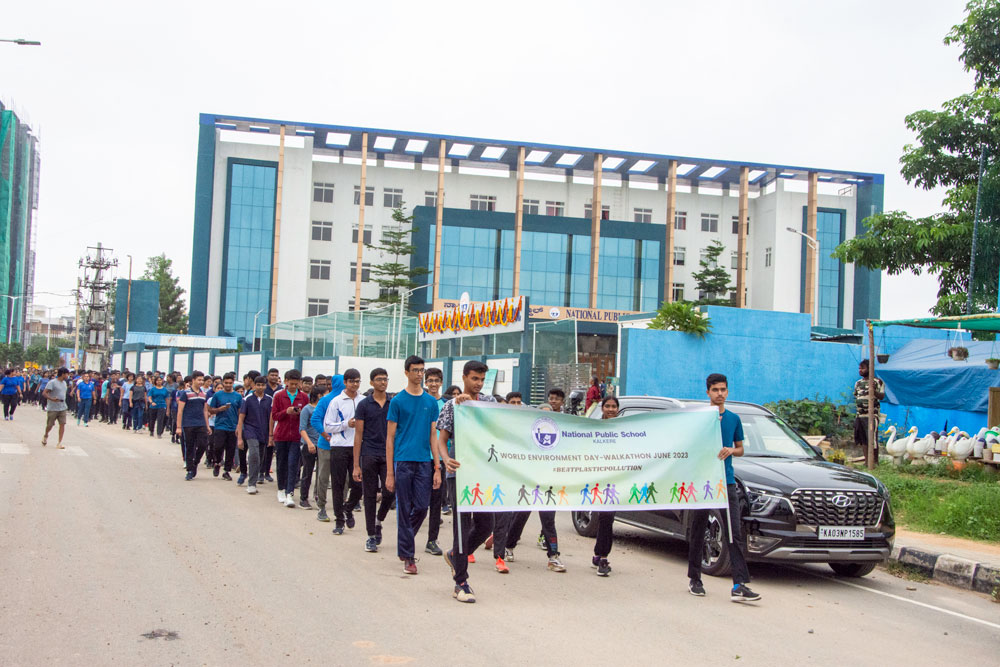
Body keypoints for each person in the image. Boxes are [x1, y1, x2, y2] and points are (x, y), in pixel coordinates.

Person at [687, 373, 760, 603]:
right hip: (703, 482)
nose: (720, 394)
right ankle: (695, 579)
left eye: (723, 390)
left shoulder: (733, 419)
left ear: (727, 392)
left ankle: (739, 585)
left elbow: (740, 449)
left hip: (726, 482)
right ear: (707, 392)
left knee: (734, 532)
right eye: (715, 390)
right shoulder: (698, 418)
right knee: (698, 530)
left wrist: (731, 450)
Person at [437, 360, 497, 603]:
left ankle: (455, 556)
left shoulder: (489, 403)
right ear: (464, 377)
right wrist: (445, 459)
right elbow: (442, 439)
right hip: (459, 473)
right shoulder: (453, 406)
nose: (478, 383)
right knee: (461, 528)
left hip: (484, 473)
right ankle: (460, 583)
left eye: (482, 379)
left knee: (485, 525)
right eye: (474, 378)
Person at [386, 355, 440, 575]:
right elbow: (390, 437)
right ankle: (408, 556)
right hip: (403, 461)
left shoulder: (430, 402)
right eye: (415, 370)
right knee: (404, 508)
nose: (419, 374)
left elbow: (433, 436)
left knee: (421, 507)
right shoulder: (397, 401)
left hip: (424, 462)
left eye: (422, 370)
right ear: (406, 372)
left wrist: (437, 467)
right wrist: (390, 472)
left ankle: (404, 541)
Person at [352, 368, 394, 552]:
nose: (383, 382)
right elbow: (358, 435)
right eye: (379, 379)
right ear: (371, 382)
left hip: (388, 454)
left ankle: (379, 520)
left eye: (385, 379)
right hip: (368, 453)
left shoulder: (393, 403)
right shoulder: (364, 405)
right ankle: (370, 536)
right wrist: (356, 465)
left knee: (390, 492)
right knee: (369, 495)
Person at [323, 368, 365, 534]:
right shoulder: (336, 401)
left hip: (359, 447)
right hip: (340, 447)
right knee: (338, 485)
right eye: (351, 381)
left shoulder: (363, 401)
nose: (354, 384)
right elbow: (327, 426)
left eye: (357, 381)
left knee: (359, 485)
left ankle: (348, 508)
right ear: (345, 382)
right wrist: (346, 424)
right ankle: (339, 520)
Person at [590, 395, 621, 576]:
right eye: (607, 406)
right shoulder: (593, 428)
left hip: (616, 481)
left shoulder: (624, 429)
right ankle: (600, 556)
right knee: (604, 517)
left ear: (618, 409)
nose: (610, 409)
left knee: (607, 518)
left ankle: (601, 556)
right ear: (602, 408)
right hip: (596, 481)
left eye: (613, 406)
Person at [310, 373, 346, 522]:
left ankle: (342, 505)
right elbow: (315, 419)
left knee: (344, 478)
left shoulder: (349, 400)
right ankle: (321, 506)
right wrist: (326, 435)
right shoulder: (326, 400)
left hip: (344, 446)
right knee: (324, 477)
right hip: (326, 445)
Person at [271, 369, 308, 508]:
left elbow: (307, 415)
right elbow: (274, 415)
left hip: (297, 436)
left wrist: (300, 413)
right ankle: (281, 489)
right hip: (281, 435)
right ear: (286, 381)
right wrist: (286, 412)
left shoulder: (304, 397)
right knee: (281, 463)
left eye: (296, 384)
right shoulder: (279, 396)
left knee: (293, 464)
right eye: (291, 383)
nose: (293, 386)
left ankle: (289, 492)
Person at [237, 376, 271, 494]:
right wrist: (239, 438)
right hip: (250, 431)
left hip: (264, 432)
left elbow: (271, 419)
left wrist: (271, 435)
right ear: (254, 385)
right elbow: (241, 418)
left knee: (260, 458)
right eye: (258, 385)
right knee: (254, 454)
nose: (260, 387)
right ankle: (251, 484)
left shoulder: (269, 400)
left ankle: (254, 479)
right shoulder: (247, 399)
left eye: (263, 385)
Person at [176, 371, 212, 481]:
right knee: (190, 446)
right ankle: (190, 470)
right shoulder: (185, 393)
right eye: (199, 380)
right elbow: (180, 411)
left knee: (203, 444)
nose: (201, 382)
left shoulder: (204, 394)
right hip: (188, 424)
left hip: (201, 423)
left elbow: (205, 410)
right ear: (193, 380)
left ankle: (195, 462)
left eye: (202, 380)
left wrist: (207, 425)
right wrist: (178, 427)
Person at [208, 373, 243, 480]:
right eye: (226, 383)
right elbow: (210, 410)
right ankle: (217, 462)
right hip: (220, 425)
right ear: (223, 382)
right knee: (218, 446)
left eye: (230, 383)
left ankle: (226, 471)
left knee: (230, 449)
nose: (228, 385)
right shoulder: (217, 395)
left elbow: (240, 412)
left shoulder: (238, 396)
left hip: (233, 426)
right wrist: (220, 409)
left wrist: (239, 426)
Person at [853, 359, 886, 464]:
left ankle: (874, 462)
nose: (860, 370)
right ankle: (867, 461)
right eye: (859, 368)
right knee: (863, 439)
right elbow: (856, 396)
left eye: (863, 368)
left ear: (869, 369)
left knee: (872, 439)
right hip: (860, 415)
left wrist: (873, 391)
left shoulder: (877, 382)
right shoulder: (858, 383)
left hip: (871, 415)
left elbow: (882, 396)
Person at [298, 386, 325, 510]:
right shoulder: (307, 409)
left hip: (322, 445)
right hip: (309, 445)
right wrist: (309, 443)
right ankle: (303, 498)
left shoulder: (324, 409)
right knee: (307, 472)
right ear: (319, 395)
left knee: (322, 474)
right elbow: (302, 429)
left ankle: (319, 496)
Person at [41, 367, 71, 448]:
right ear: (63, 374)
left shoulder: (64, 383)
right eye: (67, 374)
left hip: (62, 407)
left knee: (62, 424)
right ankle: (46, 435)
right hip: (53, 407)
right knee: (50, 425)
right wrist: (51, 399)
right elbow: (44, 393)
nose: (68, 376)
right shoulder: (52, 382)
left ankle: (59, 442)